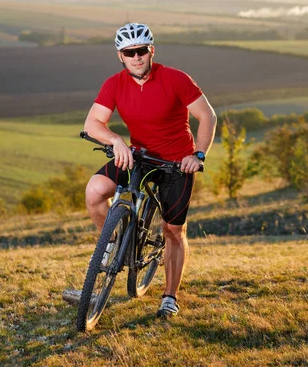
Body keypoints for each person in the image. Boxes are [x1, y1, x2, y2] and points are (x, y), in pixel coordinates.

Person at [83, 23, 217, 318]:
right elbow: (92, 123)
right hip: (139, 156)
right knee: (94, 192)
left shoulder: (176, 79)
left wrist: (198, 154)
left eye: (141, 50)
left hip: (177, 162)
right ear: (121, 56)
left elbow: (206, 116)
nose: (137, 57)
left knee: (172, 230)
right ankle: (113, 243)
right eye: (129, 52)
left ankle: (170, 296)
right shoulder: (114, 84)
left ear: (151, 50)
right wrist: (115, 140)